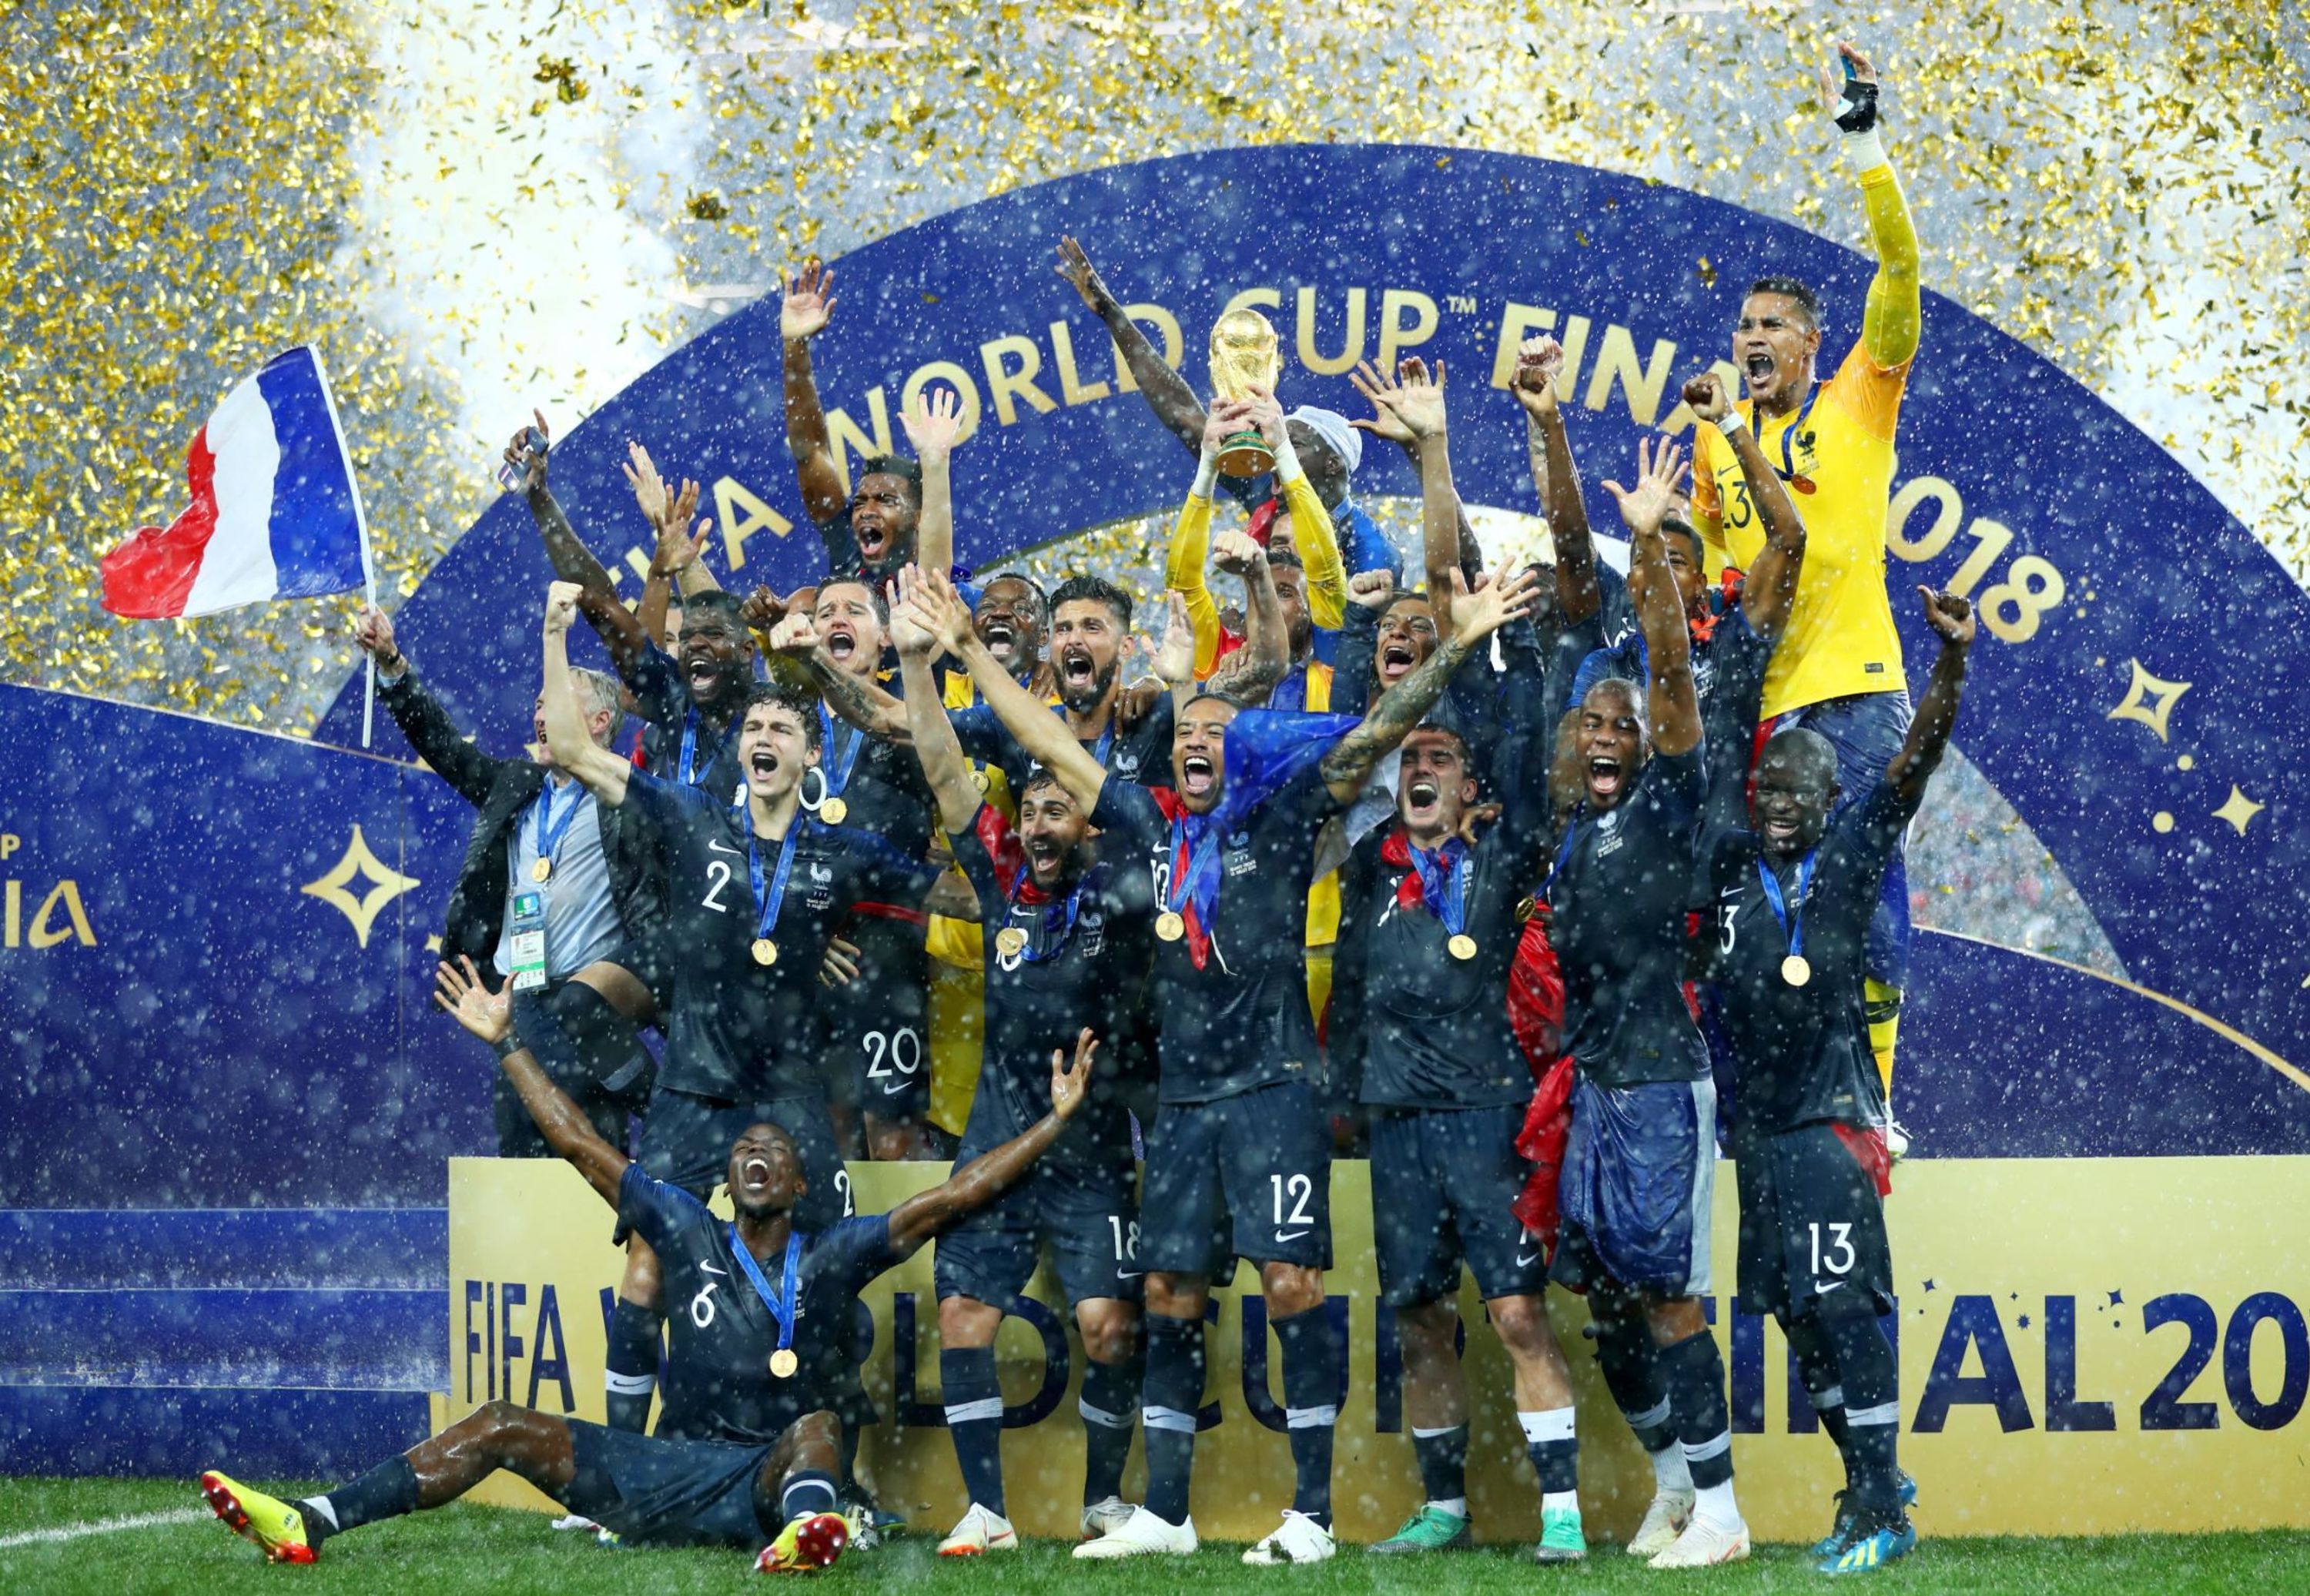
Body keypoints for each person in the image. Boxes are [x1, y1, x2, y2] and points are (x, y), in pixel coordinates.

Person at [946, 479, 1537, 1563]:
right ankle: (1166, 1516)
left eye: (1217, 732)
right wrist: (970, 656)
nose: (1195, 744)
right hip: (1183, 1104)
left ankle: (1310, 1513)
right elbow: (1046, 736)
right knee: (1169, 1292)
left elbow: (1382, 726)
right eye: (1184, 734)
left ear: (1246, 753)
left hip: (1275, 1095)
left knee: (1291, 1285)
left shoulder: (1287, 817)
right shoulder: (1142, 827)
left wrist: (1455, 649)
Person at [197, 978, 1103, 1568]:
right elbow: (576, 1142)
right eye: (742, 1150)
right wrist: (508, 1041)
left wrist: (1054, 1126)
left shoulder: (829, 1256)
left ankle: (807, 1532)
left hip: (764, 1479)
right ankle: (311, 1520)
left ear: (797, 1182)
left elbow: (948, 1199)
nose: (754, 1159)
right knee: (504, 1423)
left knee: (819, 1423)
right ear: (725, 1177)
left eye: (772, 1154)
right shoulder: (680, 1226)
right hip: (662, 1469)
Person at [1324, 372, 1588, 1563]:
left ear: (1476, 782)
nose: (1421, 764)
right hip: (1396, 1118)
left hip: (1485, 1117)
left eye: (1441, 752)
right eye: (1412, 752)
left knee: (1517, 1309)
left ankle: (1569, 1518)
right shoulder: (1372, 859)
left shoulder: (1504, 846)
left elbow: (1444, 587)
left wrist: (1435, 454)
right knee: (1418, 1314)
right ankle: (1443, 1507)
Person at [886, 565, 1158, 1554]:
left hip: (1090, 1152)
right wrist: (919, 662)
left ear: (1087, 825)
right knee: (962, 1314)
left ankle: (1101, 1503)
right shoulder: (1002, 888)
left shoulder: (1126, 893)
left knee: (1107, 1328)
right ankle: (986, 1512)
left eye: (1058, 814)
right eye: (1032, 813)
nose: (1041, 828)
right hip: (998, 1140)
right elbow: (944, 766)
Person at [1708, 587, 1973, 1574]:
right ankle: (1872, 1482)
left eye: (1797, 789)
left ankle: (1879, 1507)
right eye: (1767, 784)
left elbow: (1912, 765)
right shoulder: (1732, 869)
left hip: (1828, 1123)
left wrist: (1947, 668)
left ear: (1829, 803)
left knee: (1845, 1308)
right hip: (1762, 1135)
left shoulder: (1852, 859)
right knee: (1787, 1306)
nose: (1777, 798)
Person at [1686, 42, 1923, 1116]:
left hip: (1859, 685)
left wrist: (1866, 146)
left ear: (1816, 343)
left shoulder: (1861, 396)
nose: (1752, 339)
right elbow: (1705, 551)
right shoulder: (1714, 438)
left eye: (1773, 326)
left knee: (1864, 891)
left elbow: (1902, 274)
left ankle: (1873, 1097)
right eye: (1743, 327)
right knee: (1761, 903)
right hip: (1764, 703)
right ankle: (1778, 1093)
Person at [1545, 439, 1749, 1568]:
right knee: (1610, 1302)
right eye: (1595, 727)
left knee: (1669, 1298)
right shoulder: (1579, 833)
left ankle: (1723, 1512)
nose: (1609, 736)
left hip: (1667, 1081)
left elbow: (1669, 673)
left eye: (1623, 727)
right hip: (1600, 1086)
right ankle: (1675, 1487)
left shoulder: (1673, 803)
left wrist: (1648, 561)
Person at [353, 606, 654, 1159]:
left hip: (589, 1005)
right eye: (538, 702)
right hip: (517, 1003)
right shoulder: (518, 783)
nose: (540, 711)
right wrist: (392, 664)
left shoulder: (632, 798)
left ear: (598, 723)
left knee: (599, 1159)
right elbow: (444, 747)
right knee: (523, 1155)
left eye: (557, 701)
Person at [767, 578, 943, 1160]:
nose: (836, 619)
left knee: (892, 1135)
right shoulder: (786, 728)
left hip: (889, 954)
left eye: (853, 611)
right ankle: (838, 1250)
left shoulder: (912, 712)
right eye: (825, 612)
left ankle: (905, 1250)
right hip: (804, 953)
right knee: (829, 1134)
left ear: (886, 635)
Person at [780, 259, 926, 584]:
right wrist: (795, 346)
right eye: (860, 502)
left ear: (920, 519)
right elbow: (810, 451)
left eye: (886, 500)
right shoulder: (848, 552)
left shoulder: (943, 582)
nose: (866, 511)